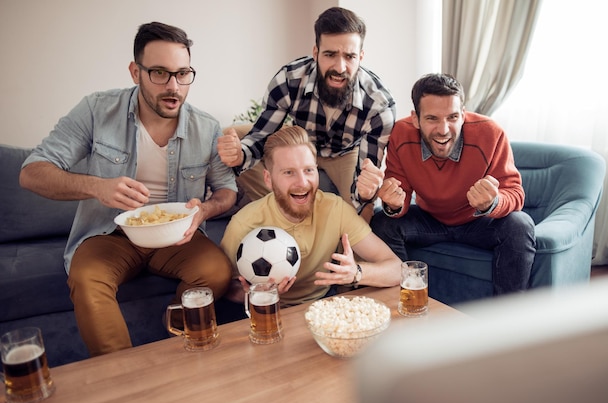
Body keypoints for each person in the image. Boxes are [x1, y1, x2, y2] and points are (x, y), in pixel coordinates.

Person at [19, 22, 237, 357]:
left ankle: (174, 353)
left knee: (216, 271)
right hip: (109, 235)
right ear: (136, 72)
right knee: (87, 278)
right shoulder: (96, 110)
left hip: (175, 237)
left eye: (183, 74)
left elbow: (227, 191)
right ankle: (122, 378)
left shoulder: (206, 127)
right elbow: (32, 172)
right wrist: (96, 187)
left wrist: (205, 210)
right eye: (160, 73)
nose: (174, 87)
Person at [217, 7, 395, 221]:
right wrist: (239, 155)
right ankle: (280, 214)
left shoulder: (379, 106)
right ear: (316, 53)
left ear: (361, 57)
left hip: (346, 153)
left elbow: (364, 179)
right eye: (330, 54)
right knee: (234, 146)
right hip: (300, 145)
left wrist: (365, 193)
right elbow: (260, 138)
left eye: (349, 56)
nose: (340, 67)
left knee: (359, 217)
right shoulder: (288, 81)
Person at [368, 73, 536, 295]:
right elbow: (400, 194)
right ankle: (402, 304)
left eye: (452, 117)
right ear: (416, 119)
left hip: (477, 221)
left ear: (463, 115)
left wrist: (493, 202)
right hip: (430, 221)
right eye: (432, 119)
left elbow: (515, 193)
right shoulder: (401, 133)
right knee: (382, 221)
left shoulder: (491, 133)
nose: (444, 129)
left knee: (520, 225)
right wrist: (393, 205)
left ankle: (507, 322)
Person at [220, 126, 401, 306]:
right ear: (268, 179)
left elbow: (397, 269)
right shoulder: (244, 224)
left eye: (308, 170)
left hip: (323, 304)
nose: (302, 182)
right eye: (289, 172)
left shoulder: (335, 209)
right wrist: (256, 295)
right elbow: (223, 289)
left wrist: (356, 273)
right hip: (268, 311)